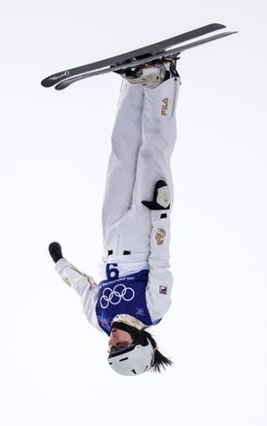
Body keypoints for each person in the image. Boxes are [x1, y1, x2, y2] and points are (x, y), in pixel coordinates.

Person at [48, 58, 181, 376]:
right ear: (141, 342)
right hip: (144, 230)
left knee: (121, 155)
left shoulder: (99, 319)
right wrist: (161, 215)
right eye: (122, 346)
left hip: (111, 235)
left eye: (111, 349)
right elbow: (160, 260)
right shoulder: (153, 309)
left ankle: (135, 85)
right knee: (151, 154)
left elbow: (82, 287)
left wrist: (60, 263)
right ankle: (162, 82)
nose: (113, 342)